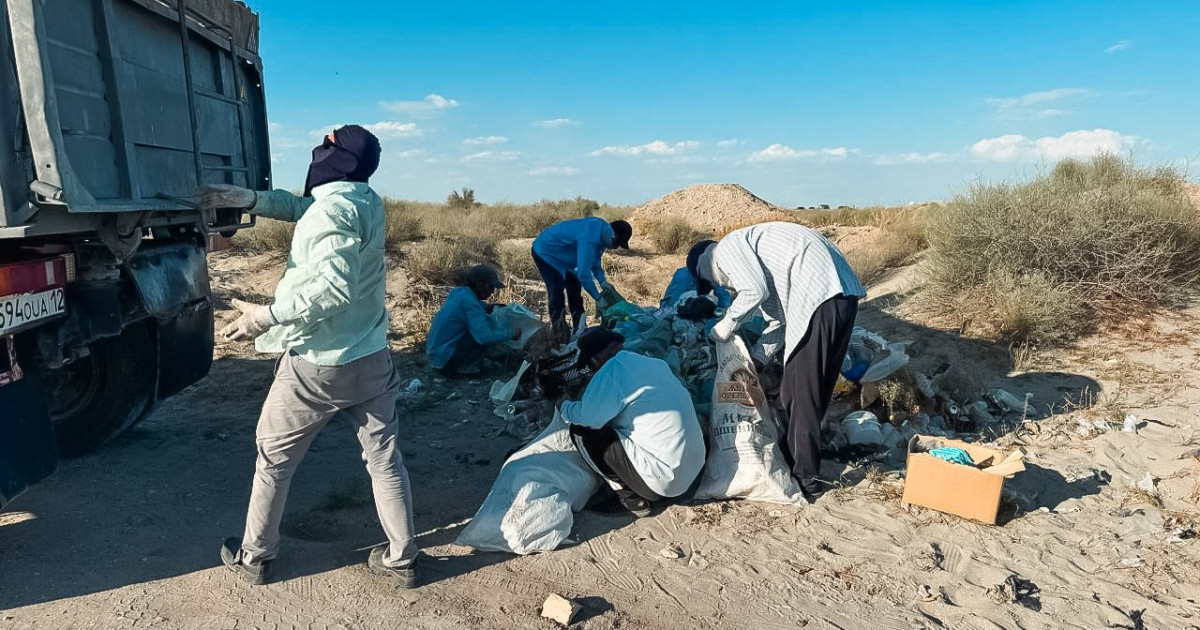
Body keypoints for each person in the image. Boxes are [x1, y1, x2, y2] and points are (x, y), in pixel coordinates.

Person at [195, 125, 421, 587]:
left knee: (274, 462)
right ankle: (403, 558)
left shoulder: (333, 211)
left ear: (339, 158)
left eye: (329, 142)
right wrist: (252, 199)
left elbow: (332, 288)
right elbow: (307, 209)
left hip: (318, 364)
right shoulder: (363, 199)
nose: (319, 147)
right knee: (385, 461)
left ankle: (255, 556)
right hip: (372, 356)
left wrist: (266, 316)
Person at [686, 223, 865, 501]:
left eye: (716, 283)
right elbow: (778, 320)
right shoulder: (757, 254)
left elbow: (753, 291)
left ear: (707, 269)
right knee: (815, 389)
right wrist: (757, 358)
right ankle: (807, 459)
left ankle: (806, 478)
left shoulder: (728, 248)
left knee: (797, 393)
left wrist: (725, 326)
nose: (724, 285)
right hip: (842, 297)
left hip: (818, 296)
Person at [559, 327, 706, 517]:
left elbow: (588, 418)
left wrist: (564, 407)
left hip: (663, 484)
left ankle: (630, 499)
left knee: (580, 431)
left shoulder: (612, 370)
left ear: (595, 360)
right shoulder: (653, 364)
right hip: (694, 475)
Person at [531, 217, 632, 329]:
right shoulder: (589, 237)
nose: (615, 247)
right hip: (546, 252)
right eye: (617, 243)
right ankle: (558, 331)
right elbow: (583, 274)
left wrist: (603, 283)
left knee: (574, 289)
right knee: (556, 289)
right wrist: (598, 298)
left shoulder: (602, 234)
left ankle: (580, 328)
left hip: (566, 258)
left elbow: (595, 263)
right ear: (613, 235)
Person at [425, 265, 521, 376]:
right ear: (480, 284)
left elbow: (472, 306)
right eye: (491, 287)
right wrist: (513, 334)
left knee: (480, 324)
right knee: (484, 329)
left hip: (436, 357)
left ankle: (466, 362)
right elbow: (484, 337)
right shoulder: (470, 304)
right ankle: (463, 368)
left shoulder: (458, 292)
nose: (493, 292)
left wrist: (489, 307)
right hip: (445, 362)